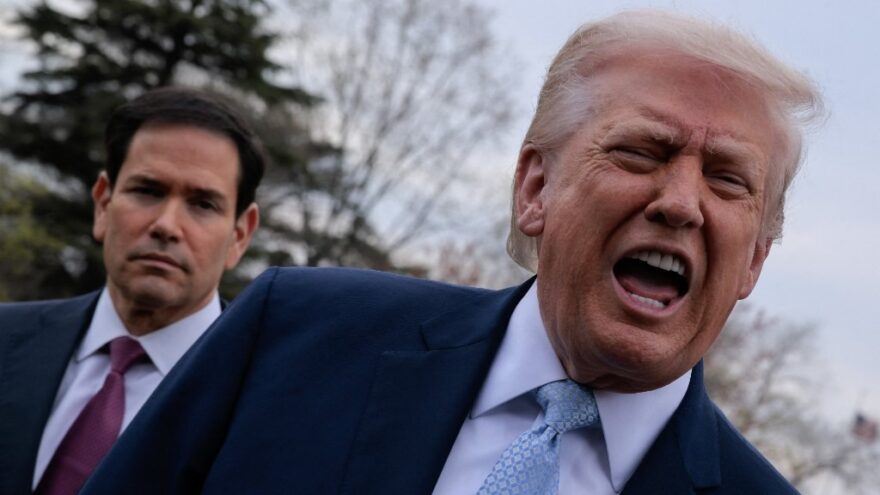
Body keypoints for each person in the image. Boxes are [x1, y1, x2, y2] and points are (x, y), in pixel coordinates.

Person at [82, 10, 822, 495]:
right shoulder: (291, 335)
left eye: (729, 180)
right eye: (641, 151)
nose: (681, 202)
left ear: (755, 259)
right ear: (535, 188)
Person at [0, 87, 263, 495]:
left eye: (203, 204)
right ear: (103, 204)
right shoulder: (6, 340)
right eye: (148, 191)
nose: (167, 225)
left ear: (240, 235)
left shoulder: (261, 405)